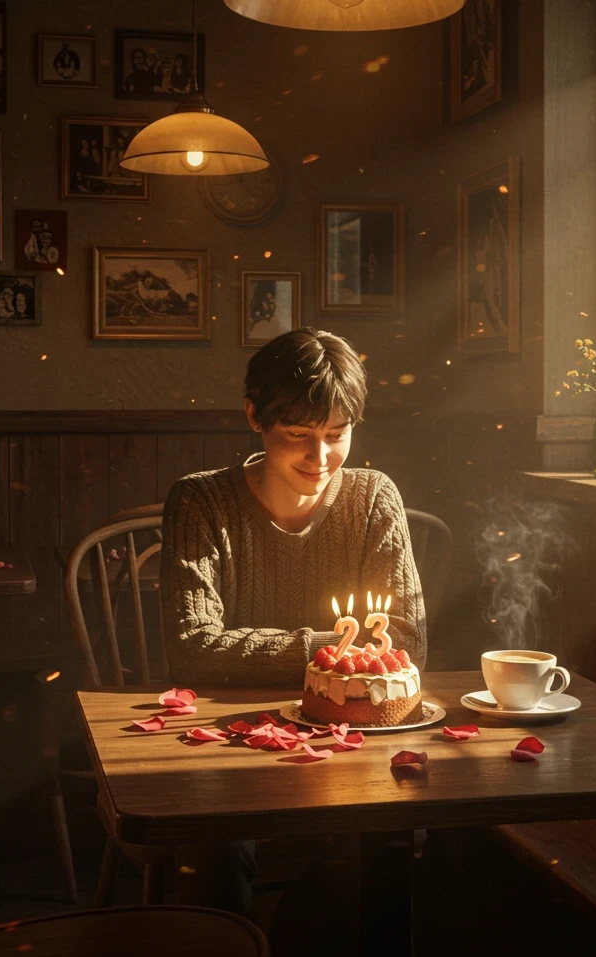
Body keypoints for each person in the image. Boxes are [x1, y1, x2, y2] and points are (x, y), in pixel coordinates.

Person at [159, 328, 426, 923]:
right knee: (214, 849)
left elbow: (406, 641)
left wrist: (324, 667)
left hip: (349, 744)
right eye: (298, 436)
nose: (321, 458)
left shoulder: (373, 497)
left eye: (337, 435)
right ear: (254, 416)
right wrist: (330, 650)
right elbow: (194, 648)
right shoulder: (201, 501)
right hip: (227, 741)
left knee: (385, 840)